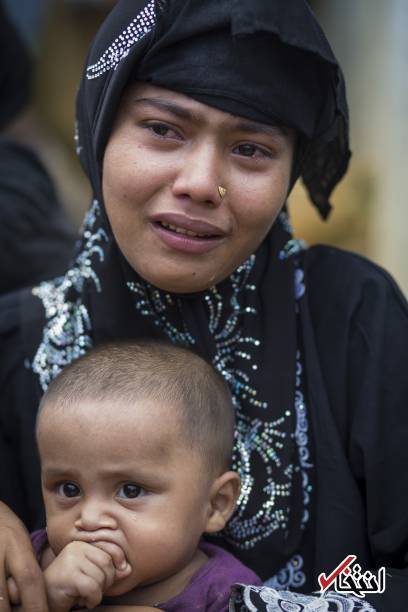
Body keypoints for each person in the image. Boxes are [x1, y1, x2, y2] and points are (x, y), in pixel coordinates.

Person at [0, 1, 407, 611]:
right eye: (164, 129)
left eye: (251, 150)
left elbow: (391, 575)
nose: (200, 182)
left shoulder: (351, 315)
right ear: (101, 127)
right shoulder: (15, 345)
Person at [8, 339, 260, 611]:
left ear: (215, 505)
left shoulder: (228, 594)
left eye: (131, 490)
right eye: (69, 489)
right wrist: (44, 599)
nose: (90, 519)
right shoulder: (28, 564)